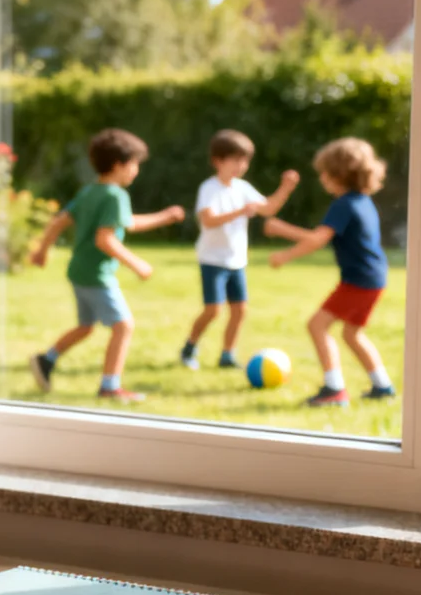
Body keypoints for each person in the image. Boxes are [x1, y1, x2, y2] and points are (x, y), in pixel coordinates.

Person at [28, 128, 186, 402]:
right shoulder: (115, 196)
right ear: (118, 165)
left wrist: (164, 217)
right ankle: (110, 386)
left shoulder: (91, 191)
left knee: (86, 326)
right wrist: (136, 263)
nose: (137, 170)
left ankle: (46, 360)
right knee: (123, 326)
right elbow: (105, 239)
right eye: (135, 163)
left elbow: (62, 221)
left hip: (78, 271)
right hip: (97, 275)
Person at [264, 137, 394, 407]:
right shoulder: (363, 201)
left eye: (324, 171)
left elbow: (317, 240)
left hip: (359, 280)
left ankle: (334, 390)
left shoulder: (344, 205)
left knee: (317, 325)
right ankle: (383, 385)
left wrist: (283, 248)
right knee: (351, 333)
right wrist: (285, 232)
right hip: (373, 277)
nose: (321, 177)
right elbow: (323, 237)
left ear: (338, 174)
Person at [180, 129, 300, 371]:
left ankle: (227, 355)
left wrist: (285, 188)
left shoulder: (242, 188)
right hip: (212, 259)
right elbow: (208, 220)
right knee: (213, 310)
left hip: (236, 260)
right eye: (235, 160)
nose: (241, 165)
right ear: (218, 161)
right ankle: (189, 348)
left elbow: (268, 208)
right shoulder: (209, 188)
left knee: (239, 310)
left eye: (245, 160)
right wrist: (240, 211)